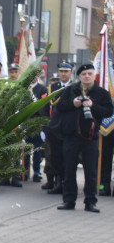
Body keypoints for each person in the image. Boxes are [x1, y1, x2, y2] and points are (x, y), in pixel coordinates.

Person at [54, 63, 113, 212]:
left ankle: (90, 201)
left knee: (91, 171)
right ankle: (69, 200)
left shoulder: (101, 93)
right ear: (79, 76)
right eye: (84, 74)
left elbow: (108, 112)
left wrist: (92, 105)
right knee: (69, 170)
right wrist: (73, 104)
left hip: (90, 137)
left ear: (94, 75)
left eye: (89, 74)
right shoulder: (70, 90)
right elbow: (59, 106)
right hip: (71, 136)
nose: (87, 77)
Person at [43, 62, 75, 193]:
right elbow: (50, 104)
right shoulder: (53, 87)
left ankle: (66, 183)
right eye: (61, 71)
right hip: (55, 127)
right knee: (54, 156)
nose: (63, 74)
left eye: (66, 71)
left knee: (67, 157)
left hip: (69, 128)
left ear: (71, 73)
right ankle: (57, 182)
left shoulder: (75, 87)